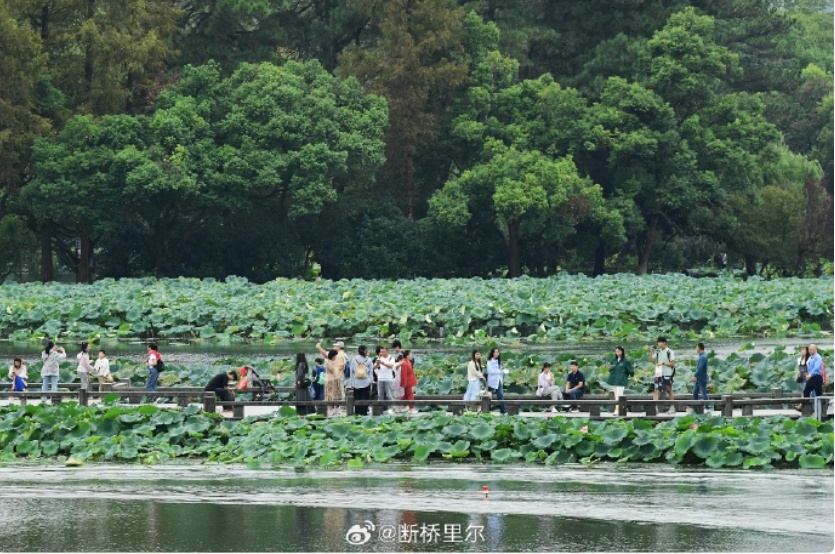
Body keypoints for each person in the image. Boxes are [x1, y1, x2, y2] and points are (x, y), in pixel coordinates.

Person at [649, 337, 676, 414]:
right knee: (656, 390)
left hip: (667, 374)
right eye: (658, 342)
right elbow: (651, 360)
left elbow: (672, 363)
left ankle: (672, 407)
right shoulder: (658, 351)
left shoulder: (669, 351)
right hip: (658, 374)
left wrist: (663, 363)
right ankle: (655, 408)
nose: (658, 344)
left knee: (669, 390)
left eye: (660, 342)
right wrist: (651, 351)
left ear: (664, 343)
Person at [607, 346, 633, 415]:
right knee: (615, 395)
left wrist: (633, 376)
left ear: (622, 352)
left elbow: (631, 371)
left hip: (621, 381)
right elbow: (609, 370)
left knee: (619, 395)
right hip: (614, 380)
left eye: (618, 351)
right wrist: (610, 368)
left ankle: (617, 410)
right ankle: (617, 409)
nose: (617, 352)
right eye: (616, 351)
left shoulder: (626, 361)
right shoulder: (613, 360)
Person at [348, 346, 373, 416]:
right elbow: (371, 372)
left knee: (357, 399)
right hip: (366, 382)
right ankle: (364, 414)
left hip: (356, 382)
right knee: (365, 400)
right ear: (366, 351)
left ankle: (357, 414)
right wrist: (370, 381)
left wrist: (352, 382)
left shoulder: (354, 359)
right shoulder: (369, 360)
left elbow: (351, 372)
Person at [374, 346, 397, 414]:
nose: (381, 353)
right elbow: (374, 367)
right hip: (380, 378)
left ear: (387, 351)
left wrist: (382, 363)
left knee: (389, 395)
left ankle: (391, 408)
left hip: (388, 378)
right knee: (380, 395)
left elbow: (391, 365)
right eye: (381, 352)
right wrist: (377, 363)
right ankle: (380, 409)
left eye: (383, 352)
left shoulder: (391, 358)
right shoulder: (379, 358)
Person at [485, 348, 507, 415]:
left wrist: (501, 379)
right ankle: (487, 410)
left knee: (500, 395)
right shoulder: (489, 362)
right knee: (489, 396)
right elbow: (490, 371)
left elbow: (501, 372)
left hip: (498, 380)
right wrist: (498, 371)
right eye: (495, 352)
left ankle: (503, 410)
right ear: (492, 353)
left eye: (498, 352)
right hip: (491, 381)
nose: (497, 353)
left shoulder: (499, 362)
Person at [324, 348, 345, 417]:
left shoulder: (332, 361)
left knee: (335, 394)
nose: (336, 357)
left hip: (334, 379)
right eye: (335, 356)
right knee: (330, 395)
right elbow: (333, 370)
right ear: (333, 356)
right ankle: (330, 409)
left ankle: (335, 409)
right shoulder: (328, 362)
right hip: (330, 380)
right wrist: (340, 369)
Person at [691, 343, 709, 411]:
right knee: (695, 392)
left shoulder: (703, 357)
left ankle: (707, 408)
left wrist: (694, 375)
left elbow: (700, 368)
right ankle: (694, 407)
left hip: (702, 378)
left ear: (699, 348)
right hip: (698, 378)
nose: (696, 349)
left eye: (696, 347)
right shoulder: (701, 356)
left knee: (703, 393)